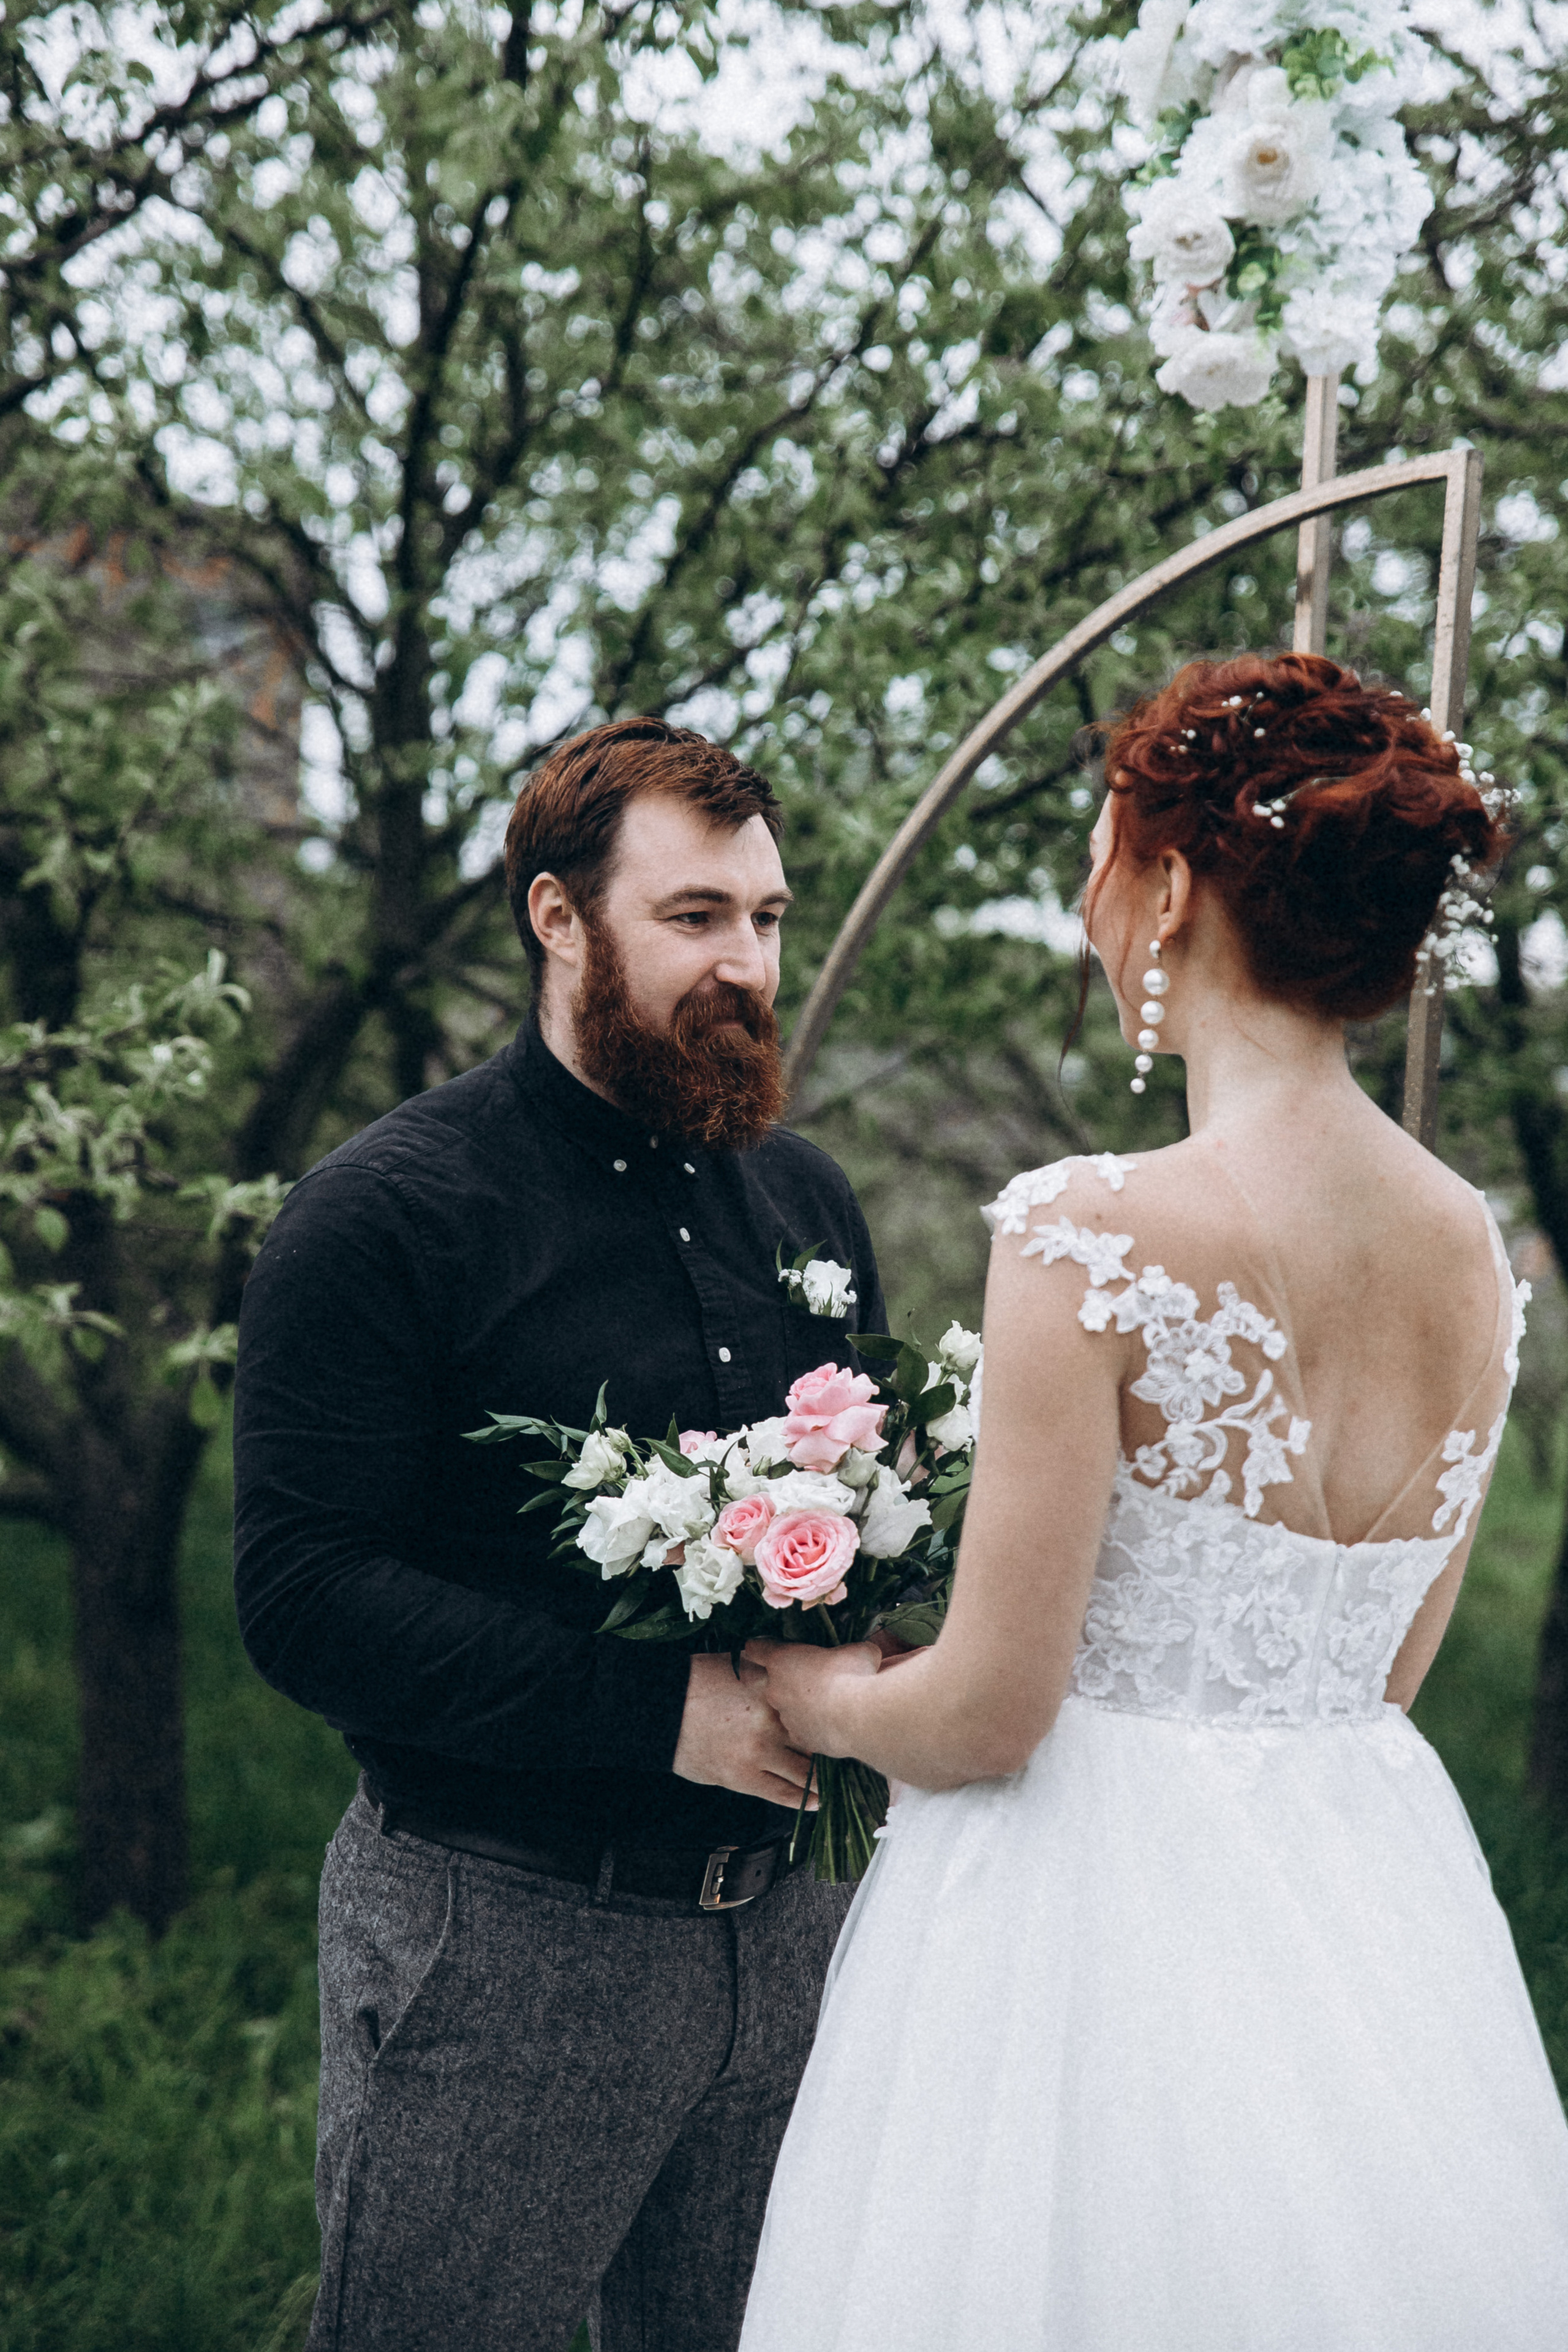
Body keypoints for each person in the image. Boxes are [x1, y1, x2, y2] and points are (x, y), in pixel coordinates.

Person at [738, 652, 1568, 2351]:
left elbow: (986, 1715)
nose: (1083, 899)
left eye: (1103, 852)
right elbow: (1385, 1675)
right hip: (1369, 1914)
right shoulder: (1477, 1250)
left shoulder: (1089, 1230)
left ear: (1175, 886)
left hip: (1071, 1940)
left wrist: (811, 1690)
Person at [232, 717, 886, 2352]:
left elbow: (863, 1512)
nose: (745, 962)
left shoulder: (809, 1203)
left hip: (789, 1943)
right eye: (694, 921)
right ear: (556, 918)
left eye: (767, 918)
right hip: (504, 1946)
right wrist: (665, 1714)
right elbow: (304, 1598)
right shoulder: (383, 1217)